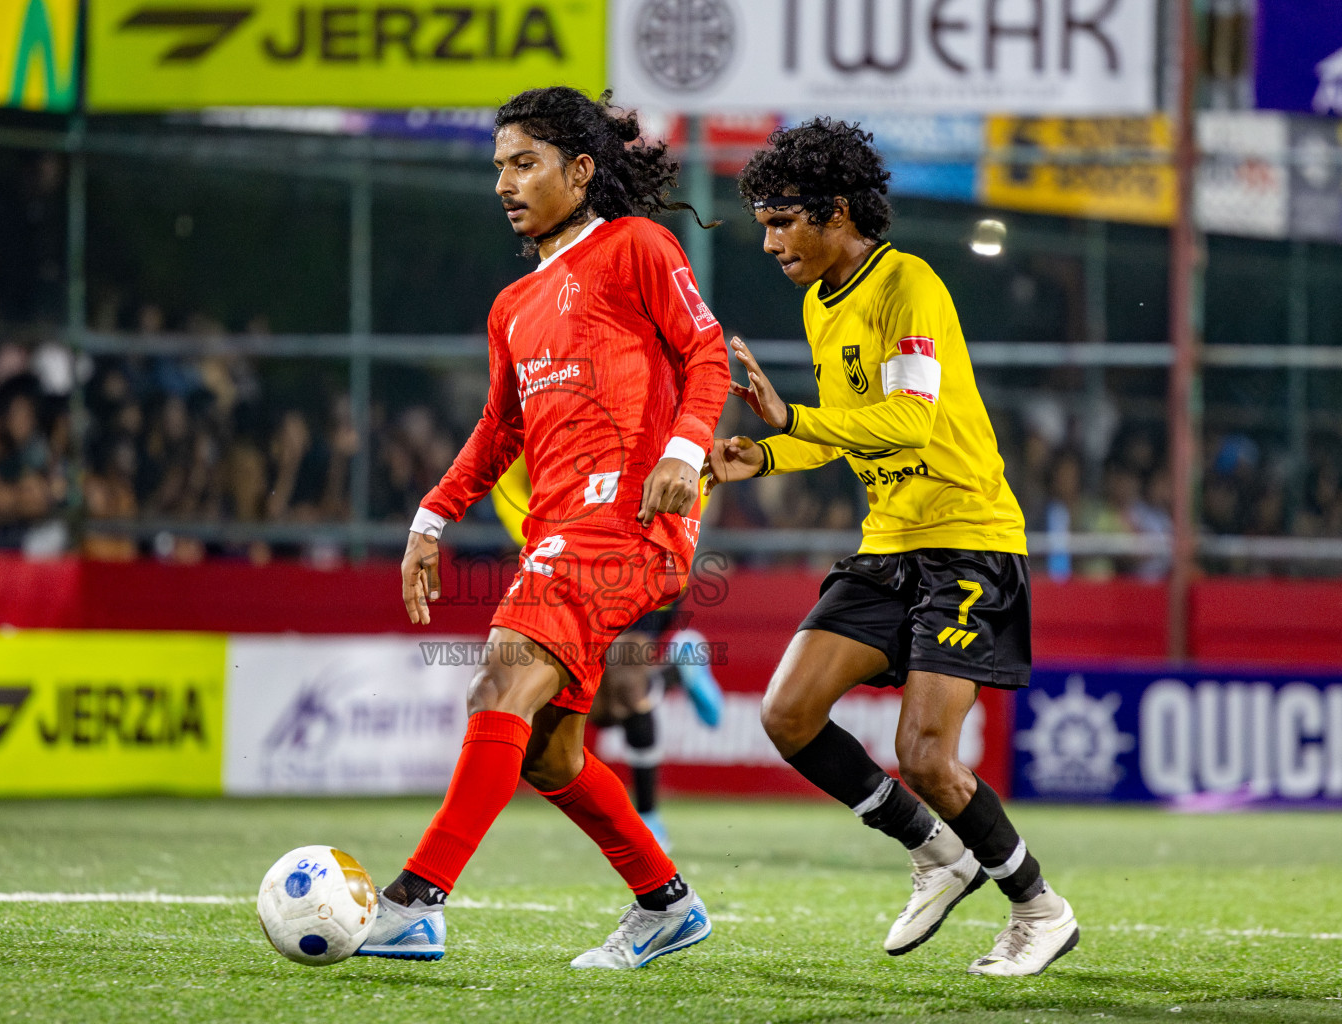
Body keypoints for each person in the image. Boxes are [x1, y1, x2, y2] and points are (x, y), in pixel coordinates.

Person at [364, 86, 730, 969]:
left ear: (581, 170)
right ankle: (665, 902)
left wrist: (685, 449)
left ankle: (416, 900)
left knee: (498, 687)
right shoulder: (512, 305)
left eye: (524, 163)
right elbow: (499, 432)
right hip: (557, 529)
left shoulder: (638, 246)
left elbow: (706, 352)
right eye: (498, 166)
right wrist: (431, 517)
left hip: (625, 520)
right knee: (552, 755)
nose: (505, 183)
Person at [705, 119, 1078, 977]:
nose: (768, 242)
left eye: (780, 221)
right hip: (887, 546)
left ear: (836, 211)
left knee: (924, 754)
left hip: (967, 542)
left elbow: (908, 418)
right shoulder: (818, 302)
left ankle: (1039, 909)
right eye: (762, 222)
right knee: (787, 714)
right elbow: (847, 435)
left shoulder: (908, 283)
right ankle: (936, 855)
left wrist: (790, 419)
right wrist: (758, 454)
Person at [490, 454, 726, 851]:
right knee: (604, 710)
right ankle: (675, 669)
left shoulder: (644, 404)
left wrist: (683, 525)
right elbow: (506, 483)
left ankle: (649, 817)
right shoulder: (538, 405)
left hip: (646, 554)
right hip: (573, 560)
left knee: (629, 688)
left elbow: (697, 465)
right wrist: (536, 533)